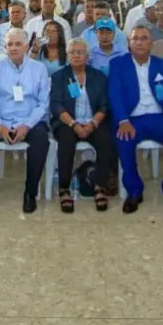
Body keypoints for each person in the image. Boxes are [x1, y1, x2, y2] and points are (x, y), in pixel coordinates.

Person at [0, 27, 52, 214]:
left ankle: (30, 192)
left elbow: (43, 104)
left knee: (41, 139)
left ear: (26, 46)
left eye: (18, 44)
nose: (13, 48)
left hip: (29, 120)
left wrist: (26, 125)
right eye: (9, 44)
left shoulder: (39, 69)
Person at [109, 26, 163, 215]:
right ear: (129, 44)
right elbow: (114, 94)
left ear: (151, 43)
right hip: (131, 118)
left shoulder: (162, 65)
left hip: (159, 117)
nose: (140, 42)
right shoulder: (118, 64)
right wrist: (123, 121)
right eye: (135, 38)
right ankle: (134, 191)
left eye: (144, 38)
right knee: (123, 139)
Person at [50, 38, 112, 213]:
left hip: (93, 122)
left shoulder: (98, 77)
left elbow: (104, 106)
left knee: (106, 141)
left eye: (80, 52)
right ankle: (64, 189)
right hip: (67, 122)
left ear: (87, 56)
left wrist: (92, 124)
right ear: (67, 56)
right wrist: (74, 124)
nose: (76, 56)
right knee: (66, 142)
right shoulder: (59, 76)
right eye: (72, 52)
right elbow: (56, 105)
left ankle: (100, 186)